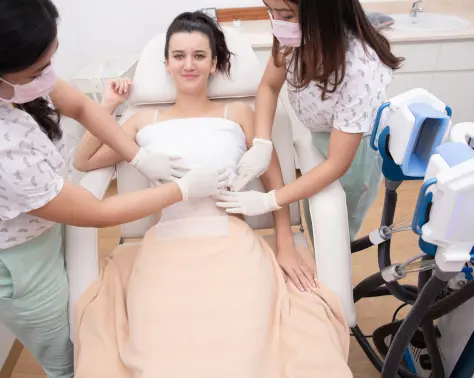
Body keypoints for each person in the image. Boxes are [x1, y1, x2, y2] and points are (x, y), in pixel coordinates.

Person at [0, 1, 227, 377]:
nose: (49, 76)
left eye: (51, 59)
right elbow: (94, 204)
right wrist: (183, 187)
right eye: (178, 55)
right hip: (9, 255)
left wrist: (138, 157)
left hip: (219, 242)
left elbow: (79, 104)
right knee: (74, 352)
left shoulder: (11, 74)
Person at [72, 12, 352, 378]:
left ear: (215, 62)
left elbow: (275, 184)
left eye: (199, 56)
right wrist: (109, 106)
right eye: (179, 56)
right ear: (166, 63)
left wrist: (284, 245)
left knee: (246, 354)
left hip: (232, 246)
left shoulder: (237, 112)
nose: (189, 65)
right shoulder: (144, 121)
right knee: (159, 355)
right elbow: (84, 159)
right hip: (166, 248)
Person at [218, 0, 404, 241]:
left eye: (285, 15)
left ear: (322, 14)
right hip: (322, 134)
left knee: (335, 226)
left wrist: (270, 200)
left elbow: (337, 164)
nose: (276, 23)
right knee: (314, 211)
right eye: (270, 11)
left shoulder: (361, 66)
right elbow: (269, 86)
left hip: (357, 150)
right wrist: (262, 142)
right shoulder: (294, 36)